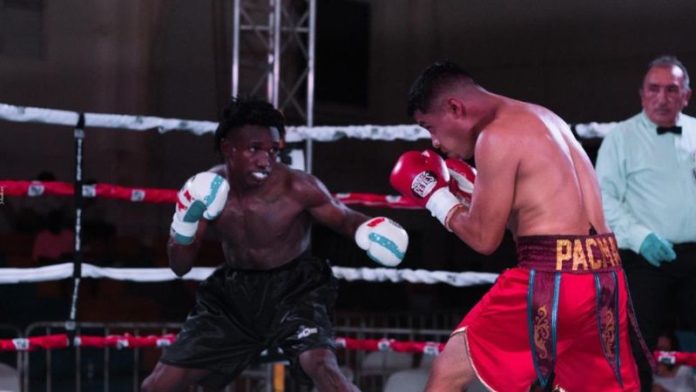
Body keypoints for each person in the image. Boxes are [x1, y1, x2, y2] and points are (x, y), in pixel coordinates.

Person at [389, 61, 642, 391]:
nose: (434, 142)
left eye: (429, 127)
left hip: (552, 283)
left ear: (454, 107)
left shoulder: (494, 138)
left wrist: (437, 197)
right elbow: (541, 215)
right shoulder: (544, 117)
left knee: (447, 374)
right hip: (606, 280)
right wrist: (472, 192)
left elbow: (484, 240)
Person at [141, 96, 408, 392]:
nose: (265, 160)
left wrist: (370, 229)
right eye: (254, 149)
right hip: (234, 296)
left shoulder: (298, 187)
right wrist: (185, 222)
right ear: (228, 148)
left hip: (296, 289)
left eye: (272, 151)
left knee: (321, 367)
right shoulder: (207, 191)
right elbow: (180, 266)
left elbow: (344, 219)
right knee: (159, 384)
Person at [595, 55, 696, 391]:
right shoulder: (620, 138)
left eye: (672, 89)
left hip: (695, 257)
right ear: (642, 95)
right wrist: (641, 237)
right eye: (654, 89)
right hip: (644, 259)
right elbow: (605, 199)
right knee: (635, 348)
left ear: (686, 95)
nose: (662, 97)